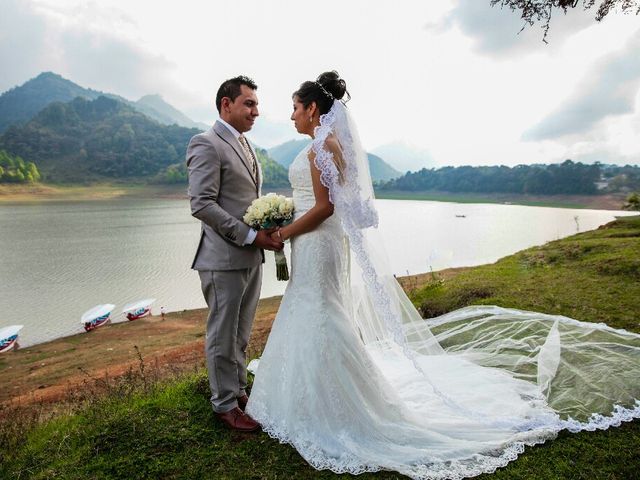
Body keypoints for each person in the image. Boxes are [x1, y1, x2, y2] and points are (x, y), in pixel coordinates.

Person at [245, 71, 640, 479]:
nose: (291, 115)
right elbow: (323, 201)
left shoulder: (320, 148)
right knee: (318, 308)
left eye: (295, 107)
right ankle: (311, 394)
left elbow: (325, 206)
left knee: (321, 311)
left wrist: (284, 229)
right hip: (319, 242)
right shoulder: (326, 144)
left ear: (312, 108)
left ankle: (335, 403)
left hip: (315, 239)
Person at [187, 75, 283, 432]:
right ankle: (223, 404)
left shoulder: (246, 144)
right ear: (226, 104)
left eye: (256, 104)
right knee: (222, 335)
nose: (256, 111)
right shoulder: (206, 143)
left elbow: (244, 200)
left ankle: (238, 389)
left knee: (241, 333)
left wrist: (267, 226)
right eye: (249, 104)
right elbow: (202, 204)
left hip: (250, 257)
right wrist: (250, 235)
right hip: (222, 258)